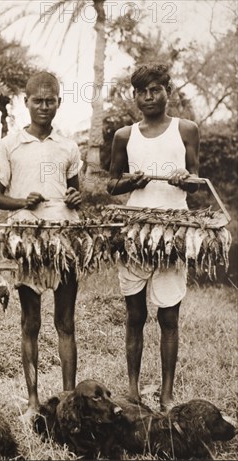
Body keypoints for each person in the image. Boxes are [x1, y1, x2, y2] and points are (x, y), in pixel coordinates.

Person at [0, 71, 83, 423]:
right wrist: (21, 203)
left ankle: (68, 401)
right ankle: (32, 401)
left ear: (59, 102)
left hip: (64, 238)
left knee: (66, 322)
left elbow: (76, 192)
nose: (44, 106)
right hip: (26, 241)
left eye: (51, 100)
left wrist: (76, 197)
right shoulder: (10, 145)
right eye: (37, 101)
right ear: (25, 103)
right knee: (30, 322)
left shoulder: (68, 146)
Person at [107, 64, 199, 412]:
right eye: (142, 91)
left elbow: (197, 180)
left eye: (156, 89)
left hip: (173, 231)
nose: (149, 97)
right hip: (135, 231)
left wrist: (183, 176)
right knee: (135, 314)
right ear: (134, 96)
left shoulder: (186, 130)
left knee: (169, 316)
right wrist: (134, 181)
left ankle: (166, 393)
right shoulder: (124, 136)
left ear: (167, 92)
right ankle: (132, 390)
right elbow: (112, 185)